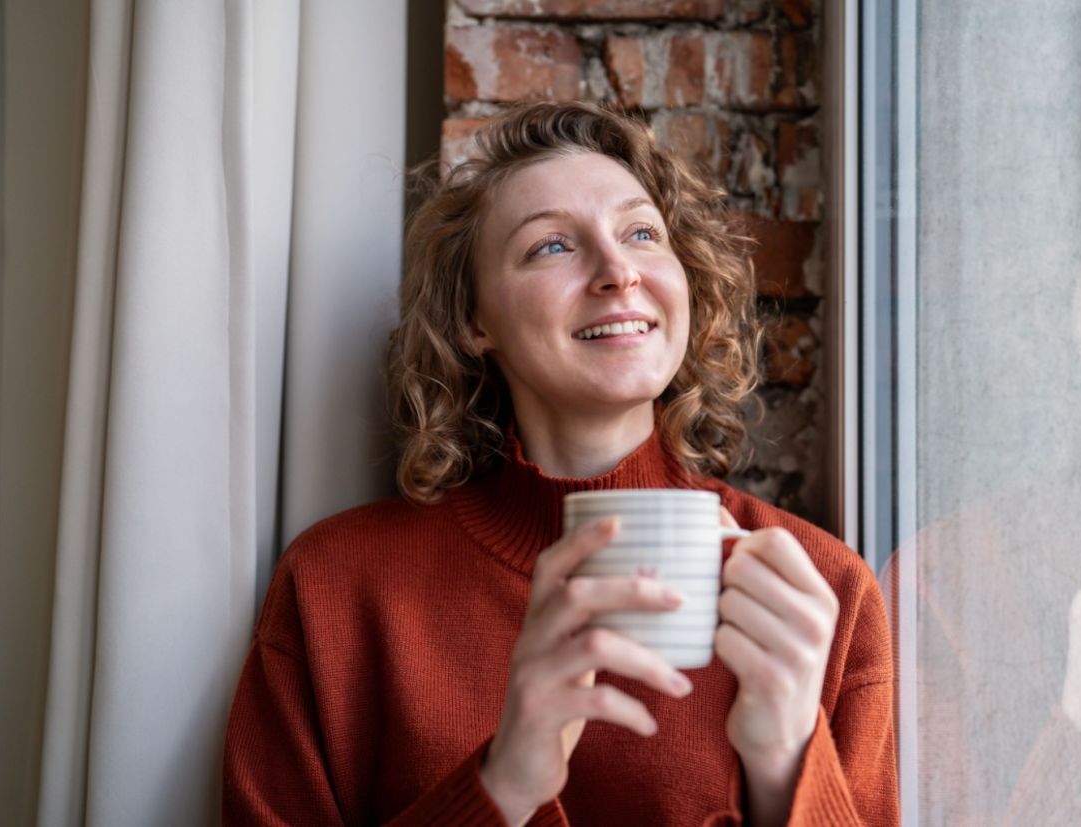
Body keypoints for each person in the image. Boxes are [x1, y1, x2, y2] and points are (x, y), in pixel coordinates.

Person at [222, 101, 898, 826]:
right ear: (472, 320)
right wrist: (503, 782)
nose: (618, 272)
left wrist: (786, 765)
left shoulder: (823, 593)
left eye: (642, 233)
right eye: (551, 246)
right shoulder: (335, 589)